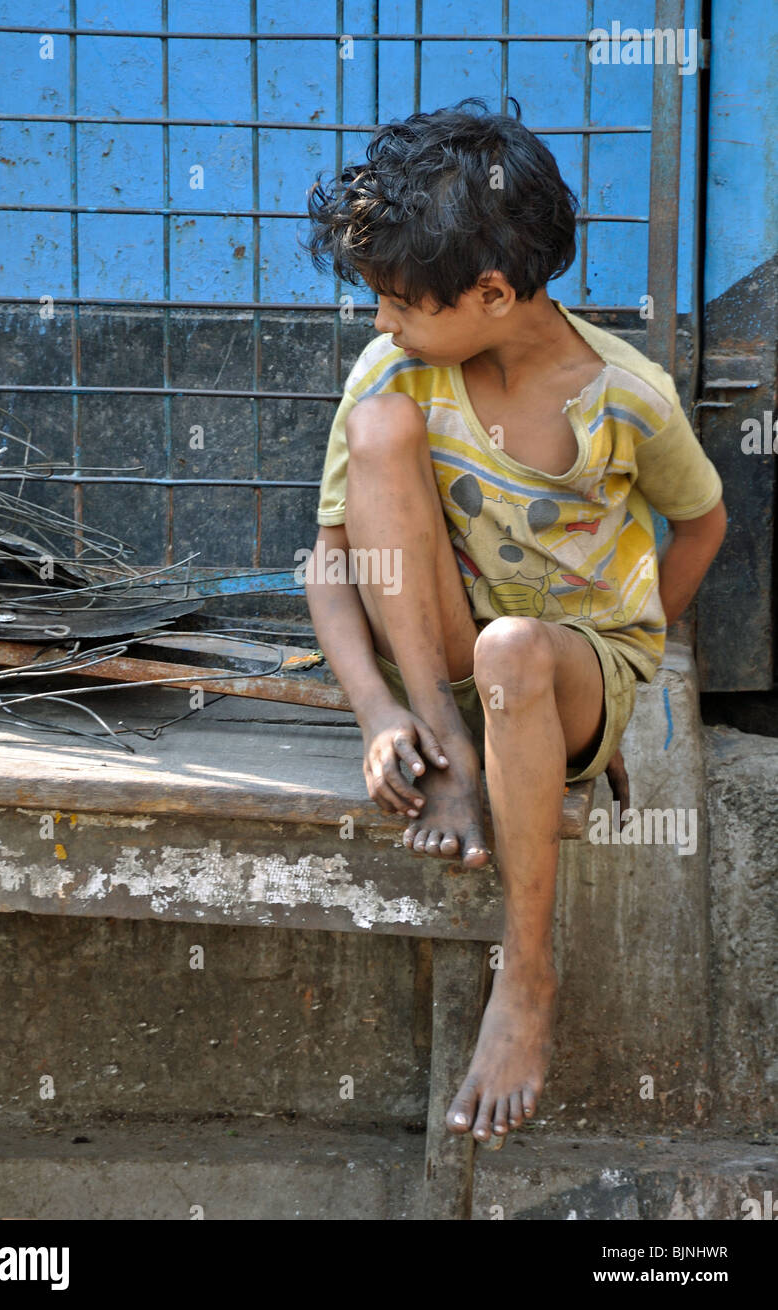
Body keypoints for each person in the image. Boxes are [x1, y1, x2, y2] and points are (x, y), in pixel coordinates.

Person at [300, 99, 726, 1144]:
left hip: (561, 662)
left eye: (397, 301)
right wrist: (373, 717)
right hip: (446, 657)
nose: (379, 321)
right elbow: (330, 559)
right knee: (382, 426)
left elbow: (702, 525)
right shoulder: (394, 373)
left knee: (516, 652)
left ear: (490, 292)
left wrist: (610, 686)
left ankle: (525, 972)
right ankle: (448, 747)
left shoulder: (626, 397)